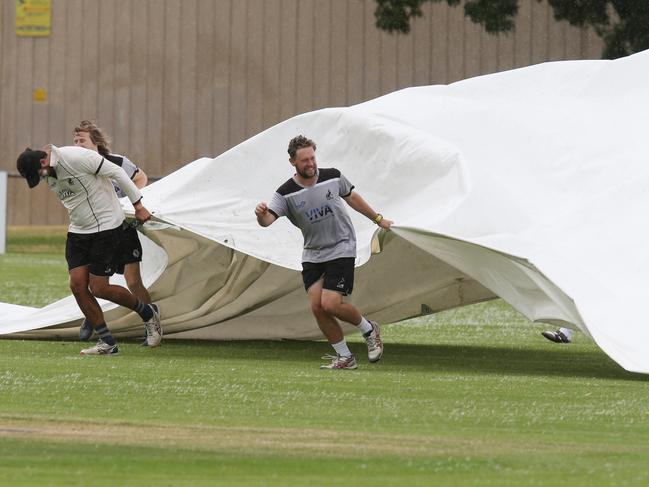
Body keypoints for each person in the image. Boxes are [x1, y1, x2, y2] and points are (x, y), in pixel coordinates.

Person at [255, 135, 393, 370]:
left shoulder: (332, 176)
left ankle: (369, 330)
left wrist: (378, 219)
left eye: (312, 158)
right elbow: (267, 221)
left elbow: (353, 198)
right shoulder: (285, 193)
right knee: (317, 307)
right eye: (304, 160)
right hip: (313, 254)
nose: (310, 163)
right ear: (292, 162)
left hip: (341, 246)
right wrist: (260, 214)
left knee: (330, 304)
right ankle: (345, 357)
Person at [16, 144, 162, 355]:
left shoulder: (76, 157)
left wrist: (138, 205)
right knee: (77, 285)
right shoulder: (48, 171)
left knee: (100, 288)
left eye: (39, 174)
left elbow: (117, 172)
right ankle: (107, 343)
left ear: (43, 161)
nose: (41, 179)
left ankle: (148, 314)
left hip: (106, 227)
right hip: (78, 231)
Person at [72, 120, 155, 344]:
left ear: (96, 142)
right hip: (97, 230)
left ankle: (152, 324)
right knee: (90, 280)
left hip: (124, 228)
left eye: (82, 140)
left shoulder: (117, 162)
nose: (77, 144)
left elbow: (140, 177)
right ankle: (92, 316)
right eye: (75, 141)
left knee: (133, 280)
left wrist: (129, 200)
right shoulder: (76, 166)